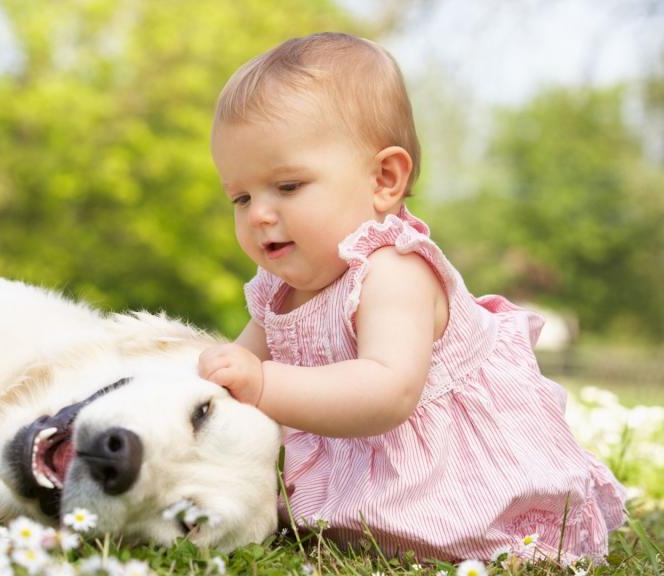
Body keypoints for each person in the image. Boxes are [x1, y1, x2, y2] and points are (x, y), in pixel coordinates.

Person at [198, 32, 626, 564]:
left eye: (287, 187)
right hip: (364, 467)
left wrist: (261, 383)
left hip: (454, 474)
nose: (258, 214)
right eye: (241, 197)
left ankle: (496, 536)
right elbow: (232, 370)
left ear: (385, 179)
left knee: (483, 539)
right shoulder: (276, 291)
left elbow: (386, 391)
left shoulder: (394, 269)